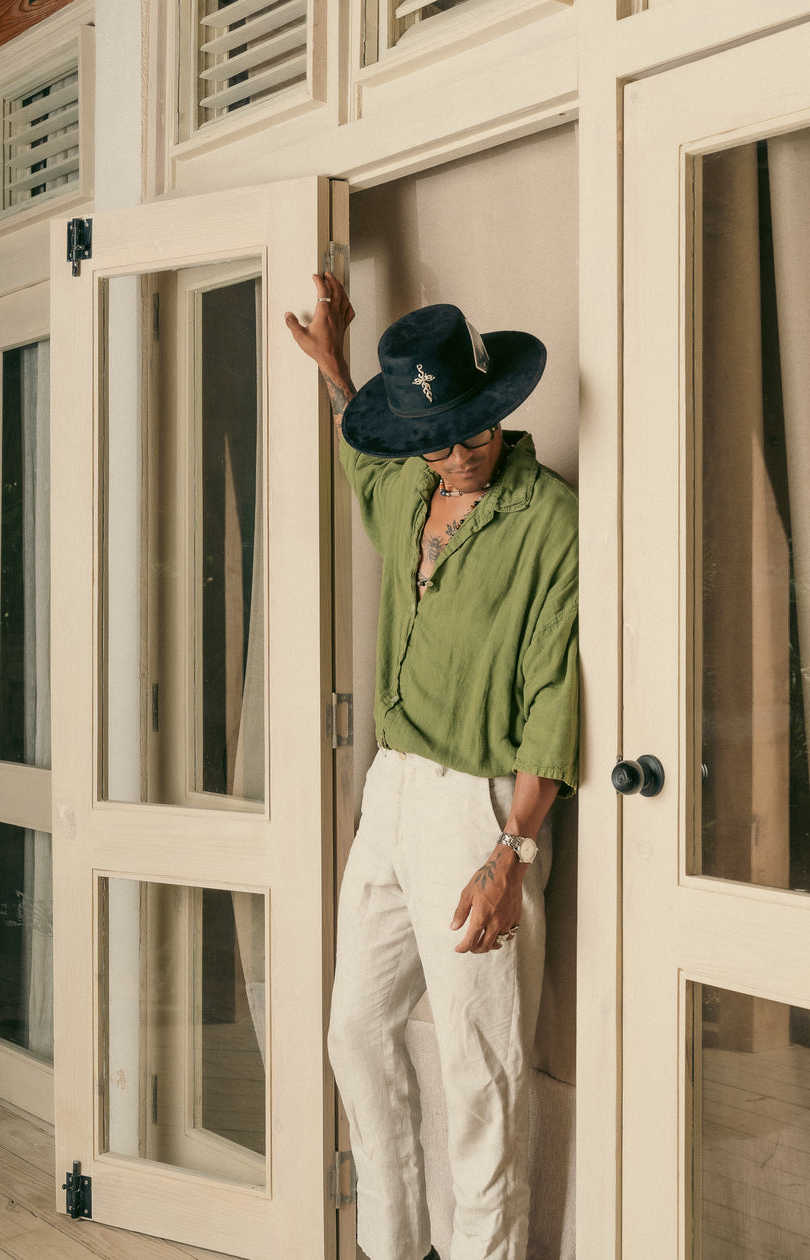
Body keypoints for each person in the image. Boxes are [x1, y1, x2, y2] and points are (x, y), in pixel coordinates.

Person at [285, 273, 578, 1260]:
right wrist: (336, 369)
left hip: (479, 810)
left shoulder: (550, 523)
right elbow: (362, 464)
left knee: (481, 1076)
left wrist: (510, 854)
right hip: (393, 792)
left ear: (498, 408)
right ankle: (396, 1247)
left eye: (473, 432)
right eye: (437, 437)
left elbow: (551, 698)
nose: (458, 455)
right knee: (355, 1035)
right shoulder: (410, 479)